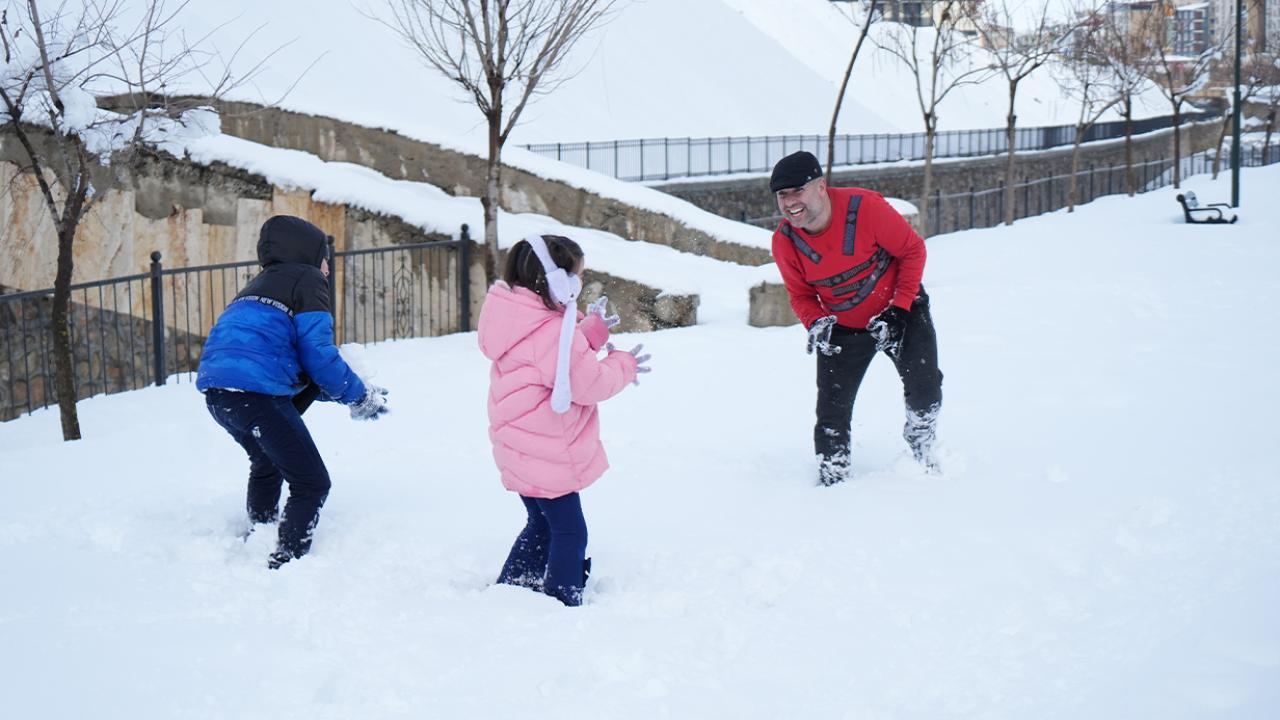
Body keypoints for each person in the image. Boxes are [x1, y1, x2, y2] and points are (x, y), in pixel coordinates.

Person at [197, 215, 390, 569]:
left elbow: (284, 364)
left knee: (267, 461)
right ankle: (286, 561)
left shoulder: (257, 286)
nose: (328, 268)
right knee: (312, 482)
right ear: (309, 255)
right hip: (255, 395)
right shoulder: (307, 279)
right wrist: (358, 396)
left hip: (219, 394)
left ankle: (261, 530)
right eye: (325, 257)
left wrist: (343, 390)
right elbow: (319, 354)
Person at [477, 233, 650, 606]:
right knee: (570, 531)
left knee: (541, 524)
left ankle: (512, 587)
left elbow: (550, 356)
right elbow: (588, 383)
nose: (579, 285)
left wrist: (589, 333)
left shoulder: (515, 318)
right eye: (576, 276)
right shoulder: (555, 332)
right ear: (556, 282)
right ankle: (561, 600)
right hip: (548, 454)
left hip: (521, 448)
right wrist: (624, 364)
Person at [768, 151, 943, 485]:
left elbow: (912, 251)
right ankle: (833, 481)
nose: (790, 202)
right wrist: (815, 321)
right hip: (843, 330)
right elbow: (801, 294)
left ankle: (922, 448)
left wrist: (899, 308)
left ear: (821, 186)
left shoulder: (865, 209)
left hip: (900, 311)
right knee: (831, 416)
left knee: (925, 390)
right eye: (782, 195)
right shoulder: (785, 243)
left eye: (797, 191)